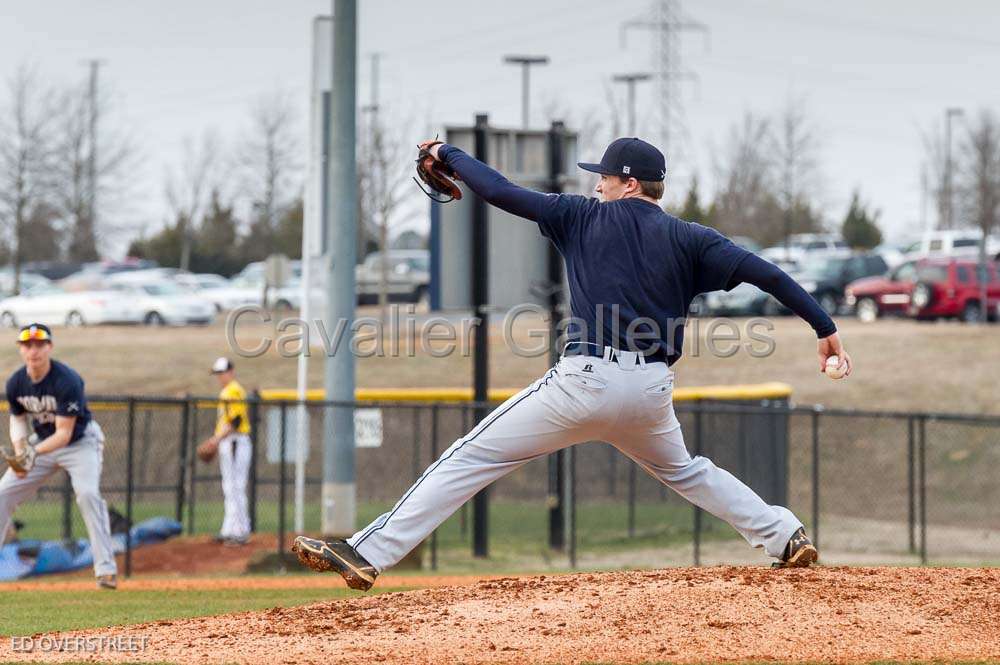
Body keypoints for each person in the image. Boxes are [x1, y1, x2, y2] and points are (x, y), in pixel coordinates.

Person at [294, 137, 852, 590]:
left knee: (472, 454)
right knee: (687, 471)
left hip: (586, 381)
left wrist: (449, 156)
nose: (597, 184)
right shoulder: (691, 239)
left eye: (604, 177)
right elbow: (768, 274)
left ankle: (366, 551)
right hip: (651, 392)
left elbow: (501, 191)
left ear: (628, 182)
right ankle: (784, 536)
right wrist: (825, 329)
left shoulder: (582, 217)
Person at [0, 324, 119, 589]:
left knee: (87, 494)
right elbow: (17, 420)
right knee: (3, 493)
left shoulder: (66, 380)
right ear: (20, 349)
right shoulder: (16, 382)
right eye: (28, 345)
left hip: (80, 443)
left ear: (49, 347)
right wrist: (20, 453)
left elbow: (64, 434)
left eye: (40, 344)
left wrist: (30, 454)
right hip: (40, 443)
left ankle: (106, 569)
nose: (34, 350)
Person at [201, 357, 251, 546]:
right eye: (218, 374)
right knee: (229, 487)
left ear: (231, 371)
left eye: (222, 373)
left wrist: (214, 440)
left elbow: (236, 421)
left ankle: (240, 531)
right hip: (229, 442)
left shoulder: (234, 390)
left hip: (235, 441)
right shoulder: (226, 391)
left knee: (236, 487)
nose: (220, 377)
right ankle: (229, 529)